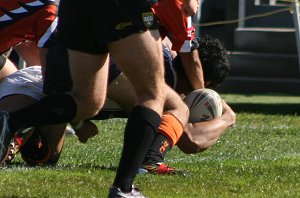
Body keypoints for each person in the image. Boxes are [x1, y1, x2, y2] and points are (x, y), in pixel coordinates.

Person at [0, 0, 199, 197]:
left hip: (74, 7)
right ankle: (124, 188)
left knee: (87, 102)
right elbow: (188, 7)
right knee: (152, 93)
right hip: (119, 6)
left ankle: (9, 121)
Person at [5, 36, 235, 174]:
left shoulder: (163, 52)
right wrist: (227, 118)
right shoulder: (160, 78)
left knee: (43, 158)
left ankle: (22, 129)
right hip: (37, 86)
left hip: (44, 82)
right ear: (208, 82)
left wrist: (79, 120)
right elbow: (192, 140)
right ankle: (17, 125)